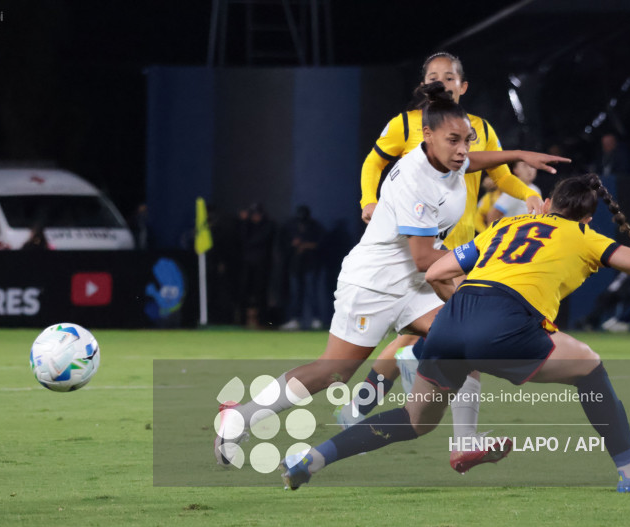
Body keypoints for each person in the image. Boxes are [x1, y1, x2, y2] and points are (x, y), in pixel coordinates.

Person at [281, 173, 630, 493]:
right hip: (505, 323)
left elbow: (437, 269)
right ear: (586, 217)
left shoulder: (505, 226)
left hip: (454, 320)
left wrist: (463, 319)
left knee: (414, 421)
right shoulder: (584, 237)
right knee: (589, 366)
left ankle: (313, 457)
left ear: (547, 201)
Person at [214, 82, 569, 466]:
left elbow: (475, 161)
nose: (463, 150)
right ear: (427, 136)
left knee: (464, 341)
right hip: (374, 284)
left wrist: (516, 153)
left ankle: (463, 443)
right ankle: (240, 417)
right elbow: (423, 257)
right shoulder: (415, 181)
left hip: (413, 284)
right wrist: (488, 257)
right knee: (333, 373)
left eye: (467, 139)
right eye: (454, 140)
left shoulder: (446, 157)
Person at [342, 52, 545, 464]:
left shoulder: (479, 129)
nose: (444, 82)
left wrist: (530, 194)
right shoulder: (407, 124)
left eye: (450, 77)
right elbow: (373, 161)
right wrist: (368, 199)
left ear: (463, 86)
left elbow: (500, 174)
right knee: (436, 337)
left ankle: (361, 407)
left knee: (427, 338)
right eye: (435, 76)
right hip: (422, 247)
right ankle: (370, 408)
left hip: (465, 242)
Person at [279, 205, 325, 331]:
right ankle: (294, 319)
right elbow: (283, 244)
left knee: (312, 293)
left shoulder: (315, 226)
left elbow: (320, 244)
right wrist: (293, 245)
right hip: (295, 265)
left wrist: (305, 245)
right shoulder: (290, 226)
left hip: (310, 265)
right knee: (295, 293)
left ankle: (316, 319)